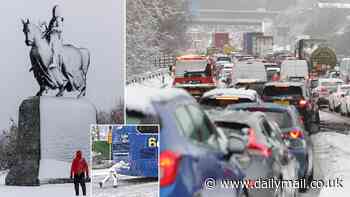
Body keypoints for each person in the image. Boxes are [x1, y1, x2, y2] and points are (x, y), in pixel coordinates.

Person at [46, 5, 67, 93]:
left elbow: (61, 29)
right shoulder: (52, 20)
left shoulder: (58, 19)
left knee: (53, 55)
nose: (54, 12)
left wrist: (53, 29)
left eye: (55, 11)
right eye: (53, 11)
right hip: (50, 38)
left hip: (55, 40)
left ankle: (54, 62)